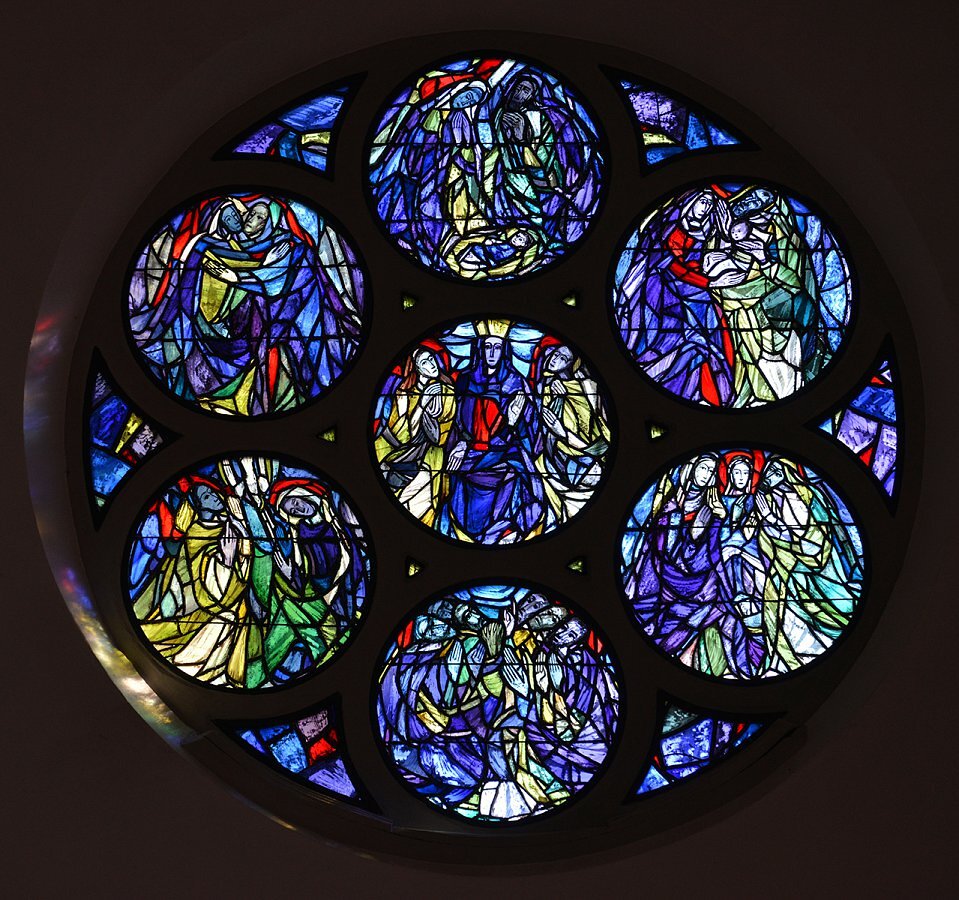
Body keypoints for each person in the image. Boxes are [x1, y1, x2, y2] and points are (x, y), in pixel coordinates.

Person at [616, 187, 735, 405]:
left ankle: (696, 388)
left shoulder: (704, 235)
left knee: (712, 322)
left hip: (690, 288)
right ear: (690, 202)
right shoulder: (669, 226)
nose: (705, 208)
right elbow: (668, 262)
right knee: (680, 326)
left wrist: (725, 237)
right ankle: (656, 364)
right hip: (659, 285)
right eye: (703, 201)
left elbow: (701, 265)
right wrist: (709, 282)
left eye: (710, 205)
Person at [754, 457, 861, 672]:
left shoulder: (807, 497)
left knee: (833, 610)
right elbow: (768, 543)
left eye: (777, 471)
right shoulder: (768, 502)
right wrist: (768, 523)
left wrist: (774, 522)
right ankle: (783, 661)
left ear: (788, 473)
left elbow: (815, 548)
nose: (772, 476)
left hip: (818, 574)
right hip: (786, 571)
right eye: (769, 472)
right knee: (777, 610)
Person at [441, 323, 545, 543]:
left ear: (504, 350)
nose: (492, 353)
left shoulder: (516, 382)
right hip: (470, 451)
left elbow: (530, 427)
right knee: (456, 470)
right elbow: (456, 420)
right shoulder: (465, 380)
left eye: (497, 347)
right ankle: (473, 532)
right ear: (480, 349)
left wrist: (513, 422)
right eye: (488, 347)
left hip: (505, 451)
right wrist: (462, 442)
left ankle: (503, 529)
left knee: (517, 474)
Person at [374, 345, 457, 526]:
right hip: (400, 453)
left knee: (422, 503)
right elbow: (403, 437)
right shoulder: (404, 394)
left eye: (432, 359)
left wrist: (429, 412)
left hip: (431, 456)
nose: (432, 364)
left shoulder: (447, 392)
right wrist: (422, 404)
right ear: (416, 368)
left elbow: (440, 437)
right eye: (425, 362)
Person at [530, 340, 610, 527]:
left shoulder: (588, 388)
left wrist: (562, 433)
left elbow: (599, 439)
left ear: (572, 364)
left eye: (563, 358)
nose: (555, 359)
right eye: (555, 354)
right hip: (554, 461)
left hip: (584, 463)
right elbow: (543, 428)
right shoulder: (546, 387)